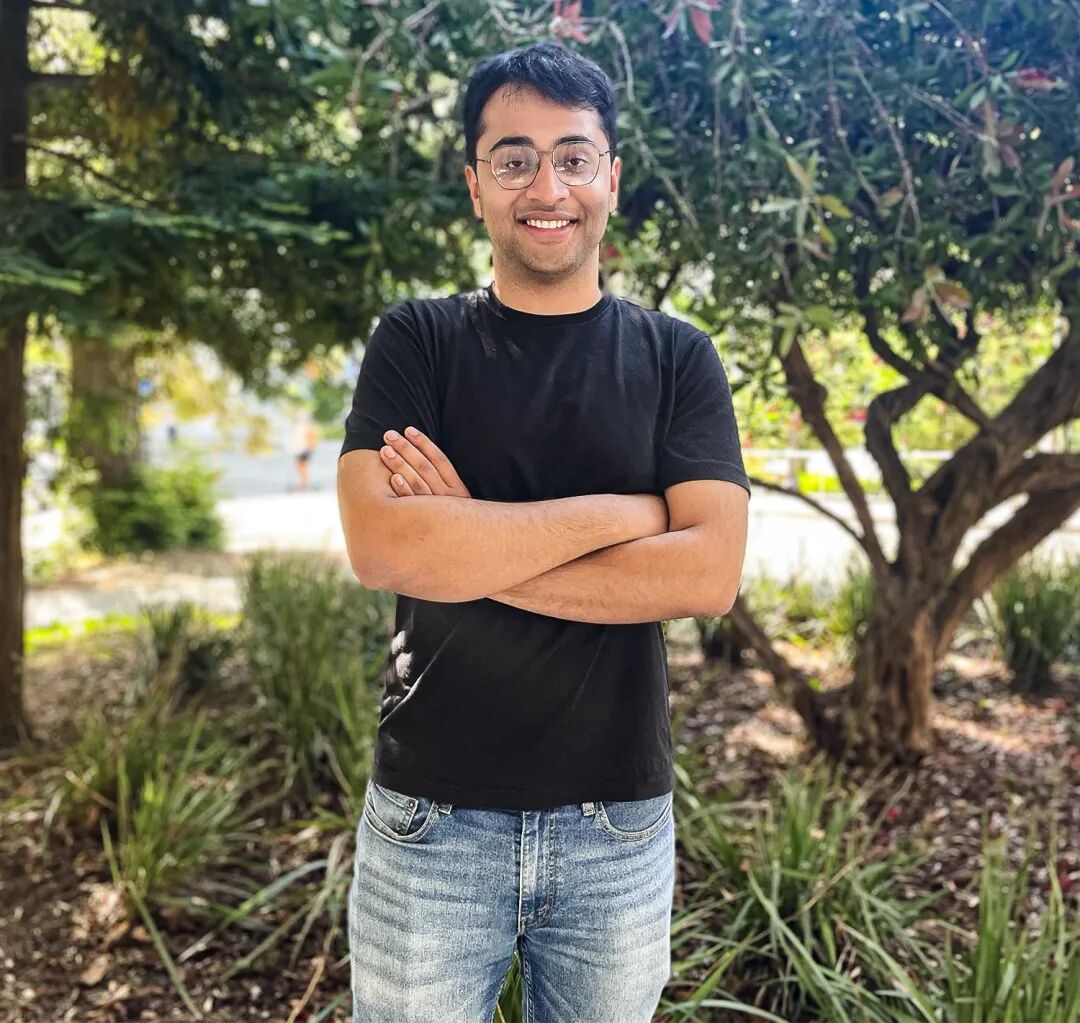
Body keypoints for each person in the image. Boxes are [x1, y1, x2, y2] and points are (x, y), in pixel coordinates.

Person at [336, 42, 750, 1022]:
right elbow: (384, 548)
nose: (546, 184)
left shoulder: (678, 358)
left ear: (609, 178)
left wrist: (466, 536)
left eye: (573, 156)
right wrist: (626, 516)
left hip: (617, 824)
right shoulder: (417, 342)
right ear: (477, 186)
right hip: (429, 821)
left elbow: (706, 575)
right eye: (515, 158)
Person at [290, 407, 320, 491]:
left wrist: (310, 447)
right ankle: (303, 483)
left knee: (303, 466)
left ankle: (304, 484)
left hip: (305, 449)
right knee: (299, 466)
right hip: (300, 449)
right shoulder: (301, 426)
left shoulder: (309, 426)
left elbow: (311, 438)